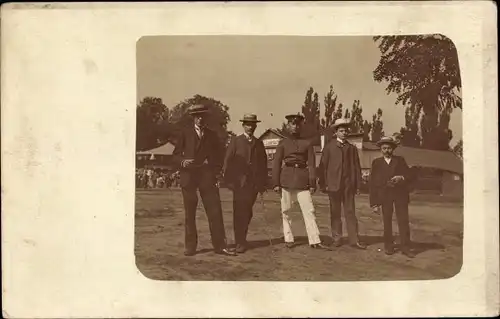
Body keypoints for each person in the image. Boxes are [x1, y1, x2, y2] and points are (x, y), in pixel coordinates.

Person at [172, 104, 236, 257]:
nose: (201, 119)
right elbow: (175, 155)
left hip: (207, 176)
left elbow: (219, 156)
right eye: (198, 116)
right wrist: (182, 162)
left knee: (214, 211)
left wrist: (215, 172)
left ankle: (220, 246)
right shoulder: (185, 133)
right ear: (193, 118)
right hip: (188, 177)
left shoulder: (212, 135)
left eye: (203, 116)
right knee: (190, 213)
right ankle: (190, 247)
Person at [272, 113, 331, 251]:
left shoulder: (307, 144)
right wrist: (275, 183)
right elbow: (276, 164)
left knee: (309, 211)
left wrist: (312, 183)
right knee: (286, 211)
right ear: (287, 126)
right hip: (286, 180)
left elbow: (311, 164)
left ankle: (315, 240)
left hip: (302, 181)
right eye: (292, 124)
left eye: (297, 124)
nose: (295, 127)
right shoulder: (282, 143)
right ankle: (288, 238)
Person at [319, 118, 367, 250]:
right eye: (341, 131)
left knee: (350, 212)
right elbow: (323, 167)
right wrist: (323, 184)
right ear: (335, 132)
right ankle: (336, 238)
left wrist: (358, 185)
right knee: (335, 213)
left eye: (346, 131)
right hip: (333, 185)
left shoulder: (351, 148)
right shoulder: (329, 147)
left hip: (348, 185)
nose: (344, 133)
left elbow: (357, 167)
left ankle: (354, 239)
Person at [223, 114, 268, 253]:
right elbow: (227, 161)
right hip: (239, 183)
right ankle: (240, 241)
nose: (251, 127)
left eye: (253, 124)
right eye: (248, 124)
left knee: (248, 212)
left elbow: (263, 164)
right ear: (243, 125)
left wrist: (262, 183)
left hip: (253, 185)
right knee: (239, 212)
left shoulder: (258, 143)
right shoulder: (236, 141)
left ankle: (242, 239)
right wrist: (228, 181)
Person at [369, 136, 416, 258]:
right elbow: (373, 183)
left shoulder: (400, 160)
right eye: (384, 148)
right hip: (385, 196)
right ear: (380, 149)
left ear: (393, 149)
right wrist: (374, 203)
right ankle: (388, 246)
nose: (386, 150)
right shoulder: (377, 163)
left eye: (389, 148)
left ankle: (406, 247)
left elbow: (410, 175)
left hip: (400, 195)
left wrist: (402, 178)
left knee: (403, 220)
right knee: (387, 221)